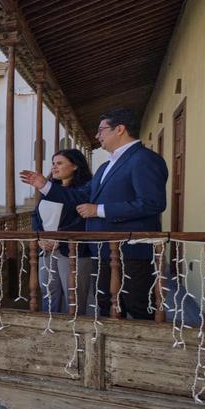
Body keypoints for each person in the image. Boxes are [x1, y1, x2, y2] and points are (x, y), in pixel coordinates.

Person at [21, 107, 168, 319]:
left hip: (131, 251)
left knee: (137, 307)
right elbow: (78, 196)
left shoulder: (144, 159)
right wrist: (44, 185)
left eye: (101, 130)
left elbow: (152, 203)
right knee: (106, 306)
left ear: (119, 129)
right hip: (103, 250)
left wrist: (98, 210)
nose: (97, 136)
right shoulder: (105, 167)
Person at [31, 149, 95, 314]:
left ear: (75, 166)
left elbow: (83, 220)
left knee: (73, 296)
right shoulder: (50, 190)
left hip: (72, 249)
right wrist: (40, 237)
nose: (54, 167)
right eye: (53, 163)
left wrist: (60, 237)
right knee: (48, 293)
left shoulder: (86, 189)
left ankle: (74, 333)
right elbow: (36, 216)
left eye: (59, 163)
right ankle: (51, 330)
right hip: (46, 249)